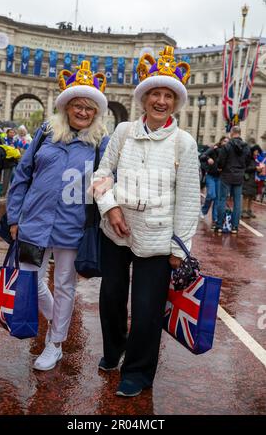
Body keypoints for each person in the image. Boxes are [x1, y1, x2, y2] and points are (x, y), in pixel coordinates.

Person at [92, 46, 200, 397]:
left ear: (175, 102)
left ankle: (138, 372)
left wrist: (179, 249)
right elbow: (102, 174)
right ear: (144, 97)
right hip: (116, 230)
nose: (161, 101)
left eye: (168, 95)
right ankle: (114, 349)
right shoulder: (122, 132)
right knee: (110, 297)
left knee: (146, 309)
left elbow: (186, 200)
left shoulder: (184, 143)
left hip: (156, 239)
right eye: (155, 93)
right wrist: (110, 208)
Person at [7, 60, 109, 371]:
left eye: (89, 107)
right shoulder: (45, 133)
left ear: (96, 112)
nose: (82, 112)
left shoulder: (101, 144)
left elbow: (108, 181)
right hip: (34, 223)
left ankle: (55, 343)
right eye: (77, 105)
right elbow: (22, 175)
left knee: (65, 284)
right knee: (29, 279)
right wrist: (14, 218)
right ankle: (56, 320)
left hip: (72, 226)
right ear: (66, 106)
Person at [216, 125, 251, 234]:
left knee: (222, 200)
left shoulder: (227, 146)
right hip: (239, 176)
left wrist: (221, 167)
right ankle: (235, 227)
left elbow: (221, 161)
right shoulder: (246, 147)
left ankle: (220, 225)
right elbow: (248, 162)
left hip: (226, 175)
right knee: (237, 202)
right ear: (240, 133)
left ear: (232, 132)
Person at [199, 136, 229, 229]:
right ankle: (203, 211)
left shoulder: (228, 152)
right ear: (220, 141)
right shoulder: (214, 149)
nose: (226, 143)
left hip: (220, 177)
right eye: (224, 141)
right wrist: (208, 158)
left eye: (228, 142)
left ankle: (215, 218)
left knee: (217, 199)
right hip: (211, 176)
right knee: (211, 195)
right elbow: (202, 156)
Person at [242, 145, 263, 218]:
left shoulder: (256, 160)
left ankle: (249, 210)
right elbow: (245, 168)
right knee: (246, 196)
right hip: (247, 179)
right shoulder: (248, 159)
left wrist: (260, 170)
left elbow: (256, 169)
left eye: (258, 152)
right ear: (253, 151)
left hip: (254, 180)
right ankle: (243, 211)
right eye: (256, 151)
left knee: (251, 196)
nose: (257, 153)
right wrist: (255, 168)